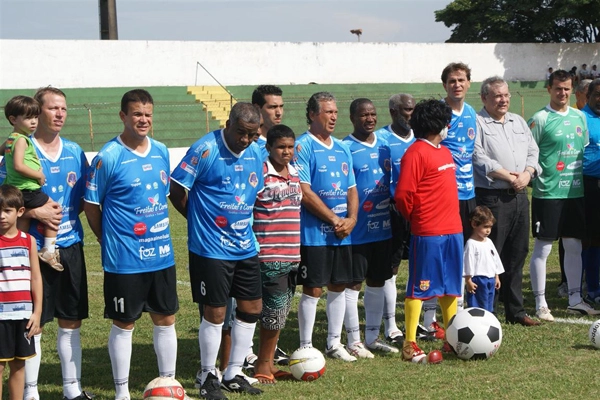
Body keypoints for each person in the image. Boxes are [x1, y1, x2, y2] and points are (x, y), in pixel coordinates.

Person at [84, 89, 179, 400]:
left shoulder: (161, 150)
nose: (143, 120)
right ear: (123, 116)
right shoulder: (109, 156)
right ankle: (121, 392)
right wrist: (104, 237)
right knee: (124, 323)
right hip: (125, 257)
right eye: (137, 114)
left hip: (161, 255)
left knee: (166, 318)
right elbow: (91, 205)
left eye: (148, 114)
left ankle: (169, 384)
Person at [170, 102, 264, 399]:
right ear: (228, 123)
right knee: (216, 312)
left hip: (245, 245)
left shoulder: (257, 151)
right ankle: (207, 374)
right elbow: (176, 189)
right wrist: (199, 221)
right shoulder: (205, 148)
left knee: (252, 308)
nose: (245, 140)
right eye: (241, 133)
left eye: (251, 134)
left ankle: (234, 372)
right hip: (210, 248)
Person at [18, 87, 91, 400]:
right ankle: (31, 391)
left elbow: (88, 198)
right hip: (32, 249)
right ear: (37, 111)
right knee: (35, 321)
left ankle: (71, 389)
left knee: (70, 319)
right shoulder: (21, 149)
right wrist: (34, 211)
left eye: (64, 108)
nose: (60, 114)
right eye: (53, 108)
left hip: (70, 246)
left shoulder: (75, 151)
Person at [528, 70, 600, 320]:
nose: (563, 93)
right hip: (548, 194)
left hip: (575, 192)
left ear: (573, 90)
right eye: (558, 88)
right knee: (544, 247)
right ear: (549, 89)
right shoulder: (540, 119)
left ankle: (575, 298)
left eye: (567, 88)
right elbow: (530, 155)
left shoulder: (580, 117)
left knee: (573, 245)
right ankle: (540, 303)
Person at [394, 99, 462, 363]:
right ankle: (409, 343)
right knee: (420, 288)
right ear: (439, 124)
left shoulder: (444, 152)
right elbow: (403, 196)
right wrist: (419, 218)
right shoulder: (415, 153)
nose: (448, 126)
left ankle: (452, 338)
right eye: (446, 122)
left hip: (453, 230)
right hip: (429, 232)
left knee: (450, 288)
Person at [292, 92, 358, 362]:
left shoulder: (342, 147)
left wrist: (352, 219)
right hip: (314, 233)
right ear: (312, 114)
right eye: (327, 112)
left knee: (340, 284)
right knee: (313, 288)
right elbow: (303, 191)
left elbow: (352, 188)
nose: (333, 116)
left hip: (343, 231)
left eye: (335, 112)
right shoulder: (302, 146)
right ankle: (306, 345)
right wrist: (334, 220)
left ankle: (334, 342)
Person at [473, 76, 542, 326]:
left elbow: (533, 152)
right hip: (493, 197)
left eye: (506, 95)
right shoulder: (478, 123)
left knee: (517, 252)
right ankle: (487, 311)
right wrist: (507, 175)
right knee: (492, 253)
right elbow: (477, 156)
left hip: (520, 196)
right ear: (484, 98)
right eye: (497, 96)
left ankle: (515, 310)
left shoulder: (519, 121)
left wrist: (527, 173)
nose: (503, 100)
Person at [420, 61, 477, 340]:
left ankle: (459, 312)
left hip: (468, 193)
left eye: (462, 80)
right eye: (452, 80)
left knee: (463, 254)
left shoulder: (472, 114)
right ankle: (428, 318)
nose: (457, 84)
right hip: (443, 196)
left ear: (469, 83)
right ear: (445, 85)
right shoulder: (439, 115)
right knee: (440, 258)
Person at [342, 98, 398, 358]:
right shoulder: (345, 148)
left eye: (373, 114)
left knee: (377, 281)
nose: (370, 119)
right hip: (357, 230)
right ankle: (353, 340)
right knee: (353, 284)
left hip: (383, 228)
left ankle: (372, 337)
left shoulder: (385, 147)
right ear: (353, 118)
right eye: (364, 115)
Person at [252, 124, 301, 383]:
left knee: (280, 314)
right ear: (268, 147)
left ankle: (269, 363)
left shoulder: (295, 172)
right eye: (281, 147)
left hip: (292, 254)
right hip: (268, 255)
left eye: (290, 147)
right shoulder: (260, 173)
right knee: (271, 314)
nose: (286, 152)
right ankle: (261, 365)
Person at [2, 96, 62, 271]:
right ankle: (49, 250)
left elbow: (4, 150)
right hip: (28, 188)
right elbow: (19, 165)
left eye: (35, 117)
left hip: (17, 189)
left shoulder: (11, 139)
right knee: (55, 209)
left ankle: (20, 248)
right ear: (13, 119)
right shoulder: (21, 140)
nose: (34, 122)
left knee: (22, 220)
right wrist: (38, 175)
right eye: (28, 118)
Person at [375, 93, 415, 345]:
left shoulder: (421, 137)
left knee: (420, 262)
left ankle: (419, 318)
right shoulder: (380, 139)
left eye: (412, 109)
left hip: (418, 210)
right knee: (391, 267)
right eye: (405, 110)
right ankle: (391, 325)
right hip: (392, 210)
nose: (410, 114)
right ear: (393, 112)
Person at [0, 185, 42, 400]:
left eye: (7, 210)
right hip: (0, 317)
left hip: (23, 316)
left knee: (18, 365)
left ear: (20, 212)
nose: (1, 216)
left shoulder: (29, 241)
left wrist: (37, 313)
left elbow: (36, 278)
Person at [463, 206, 504, 313]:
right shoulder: (471, 244)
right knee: (478, 307)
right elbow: (468, 263)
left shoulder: (489, 242)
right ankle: (477, 326)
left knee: (489, 306)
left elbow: (495, 259)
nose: (488, 230)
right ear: (474, 224)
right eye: (485, 227)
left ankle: (487, 324)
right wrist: (468, 280)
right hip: (477, 280)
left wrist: (497, 276)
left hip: (490, 279)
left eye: (490, 227)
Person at [581, 78, 600, 304]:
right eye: (598, 94)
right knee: (593, 239)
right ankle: (592, 287)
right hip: (589, 185)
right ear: (588, 96)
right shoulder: (580, 118)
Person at [252, 85, 284, 159]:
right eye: (273, 107)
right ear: (257, 108)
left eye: (281, 106)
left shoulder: (288, 144)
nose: (279, 113)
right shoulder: (248, 145)